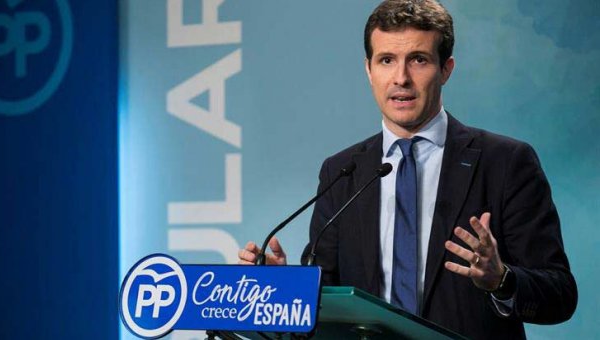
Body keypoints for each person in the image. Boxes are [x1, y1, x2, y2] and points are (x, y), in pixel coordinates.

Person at [238, 0, 577, 338]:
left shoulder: (505, 162)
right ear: (369, 70)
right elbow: (328, 293)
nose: (401, 78)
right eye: (386, 60)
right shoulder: (342, 171)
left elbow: (560, 295)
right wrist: (284, 290)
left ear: (446, 69)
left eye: (418, 60)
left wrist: (500, 279)